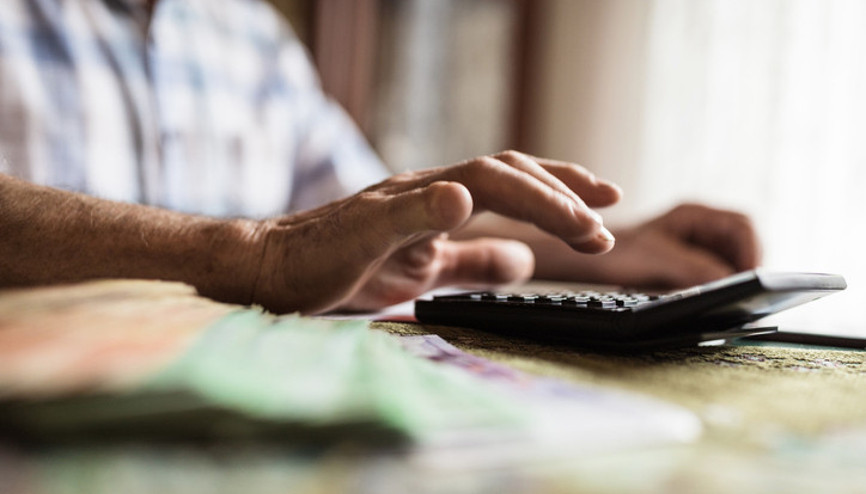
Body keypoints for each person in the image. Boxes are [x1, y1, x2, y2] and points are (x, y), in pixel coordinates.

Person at [0, 0, 760, 315]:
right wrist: (253, 256)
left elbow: (364, 229)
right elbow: (288, 253)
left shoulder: (251, 34)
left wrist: (616, 248)